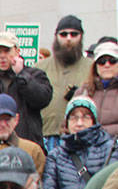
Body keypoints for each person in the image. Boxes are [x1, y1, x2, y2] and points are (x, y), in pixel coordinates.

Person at [41, 96, 116, 189]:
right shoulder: (56, 155)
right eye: (74, 117)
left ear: (94, 121)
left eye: (86, 117)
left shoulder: (110, 149)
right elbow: (48, 187)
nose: (79, 123)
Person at [36, 15, 89, 148]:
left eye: (74, 34)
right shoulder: (40, 68)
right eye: (64, 34)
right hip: (45, 135)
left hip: (80, 137)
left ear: (81, 36)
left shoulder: (92, 68)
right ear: (56, 37)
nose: (69, 39)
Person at [79, 38, 118, 136]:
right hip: (87, 146)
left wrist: (99, 133)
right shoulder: (84, 91)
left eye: (112, 61)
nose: (107, 65)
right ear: (95, 65)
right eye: (102, 61)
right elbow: (68, 124)